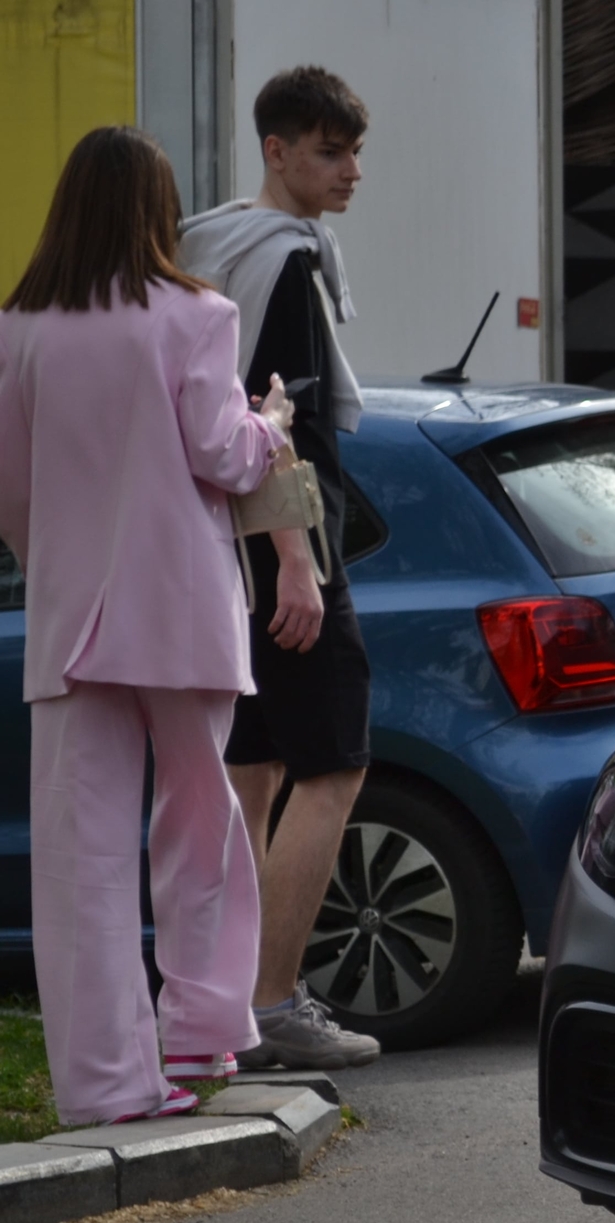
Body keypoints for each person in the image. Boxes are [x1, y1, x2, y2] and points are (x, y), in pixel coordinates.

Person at [0, 127, 298, 1124]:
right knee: (200, 825)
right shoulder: (197, 314)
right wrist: (273, 426)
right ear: (160, 210)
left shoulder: (19, 328)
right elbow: (223, 454)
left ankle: (105, 1085)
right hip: (177, 612)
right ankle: (204, 1031)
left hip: (68, 622)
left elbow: (11, 491)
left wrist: (56, 574)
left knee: (78, 860)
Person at [178, 65, 380, 1069]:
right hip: (282, 552)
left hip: (218, 554)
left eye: (353, 153)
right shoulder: (288, 261)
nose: (349, 173)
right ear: (276, 151)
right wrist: (298, 562)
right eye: (330, 152)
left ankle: (228, 1004)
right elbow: (274, 423)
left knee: (251, 772)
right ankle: (274, 1002)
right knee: (335, 766)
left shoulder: (208, 246)